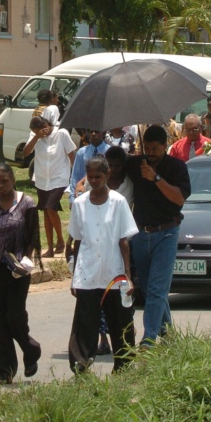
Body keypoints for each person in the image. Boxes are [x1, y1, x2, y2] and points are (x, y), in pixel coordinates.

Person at [68, 156, 138, 374]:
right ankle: (82, 365)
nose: (95, 181)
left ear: (107, 176)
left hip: (113, 273)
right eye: (91, 177)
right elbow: (78, 241)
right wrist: (74, 276)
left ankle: (123, 366)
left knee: (119, 321)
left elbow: (123, 241)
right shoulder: (79, 204)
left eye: (99, 177)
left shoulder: (118, 202)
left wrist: (127, 275)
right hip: (87, 273)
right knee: (85, 322)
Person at [0, 163, 42, 385]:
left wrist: (26, 261)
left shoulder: (27, 204)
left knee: (14, 315)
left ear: (13, 180)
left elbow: (33, 237)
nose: (1, 185)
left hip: (19, 270)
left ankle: (29, 348)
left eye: (5, 181)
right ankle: (3, 372)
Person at [126, 125, 190, 346]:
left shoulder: (177, 167)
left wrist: (155, 178)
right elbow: (113, 169)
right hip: (141, 235)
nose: (151, 153)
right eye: (148, 148)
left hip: (167, 233)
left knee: (157, 288)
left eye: (155, 149)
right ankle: (169, 334)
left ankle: (149, 339)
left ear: (165, 146)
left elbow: (179, 199)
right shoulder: (136, 164)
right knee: (147, 287)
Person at [23, 116, 75, 258]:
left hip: (59, 178)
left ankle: (60, 240)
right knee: (45, 212)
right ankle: (50, 248)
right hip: (42, 179)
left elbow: (72, 155)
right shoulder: (35, 137)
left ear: (46, 125)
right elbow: (26, 152)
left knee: (51, 208)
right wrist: (36, 137)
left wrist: (74, 177)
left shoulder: (61, 133)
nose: (39, 133)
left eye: (40, 130)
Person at [69, 129, 110, 200]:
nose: (93, 134)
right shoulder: (81, 152)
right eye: (91, 132)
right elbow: (75, 176)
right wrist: (72, 197)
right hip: (84, 192)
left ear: (103, 133)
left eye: (97, 131)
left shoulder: (110, 151)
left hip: (104, 192)